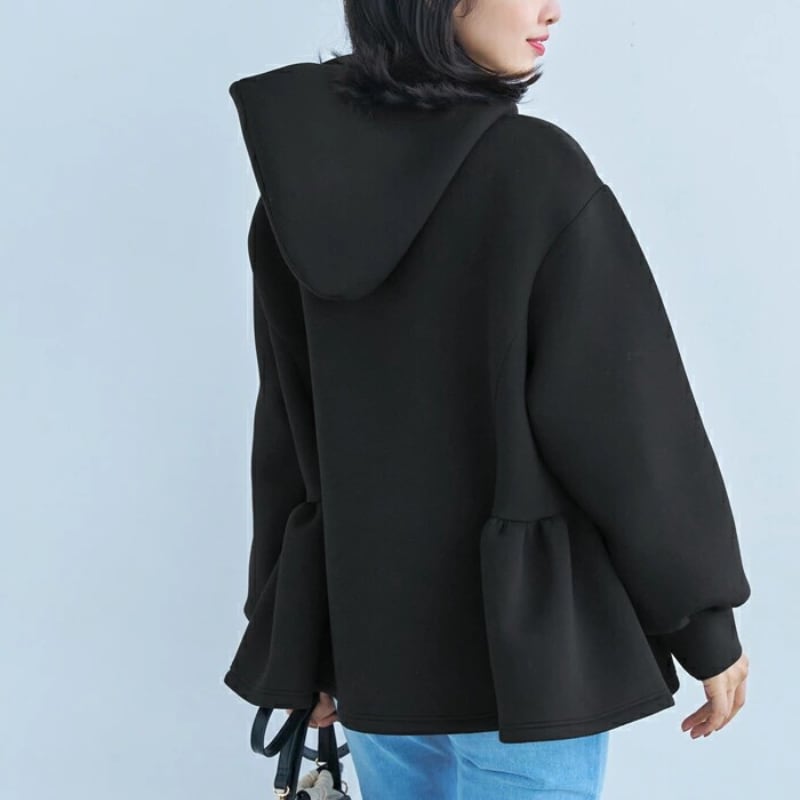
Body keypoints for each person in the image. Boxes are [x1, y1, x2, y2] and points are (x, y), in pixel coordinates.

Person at [222, 1, 752, 797]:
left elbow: (291, 437)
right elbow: (628, 425)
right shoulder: (534, 172)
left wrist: (293, 641)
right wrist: (704, 623)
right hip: (520, 668)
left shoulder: (294, 199)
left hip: (373, 653)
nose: (552, 9)